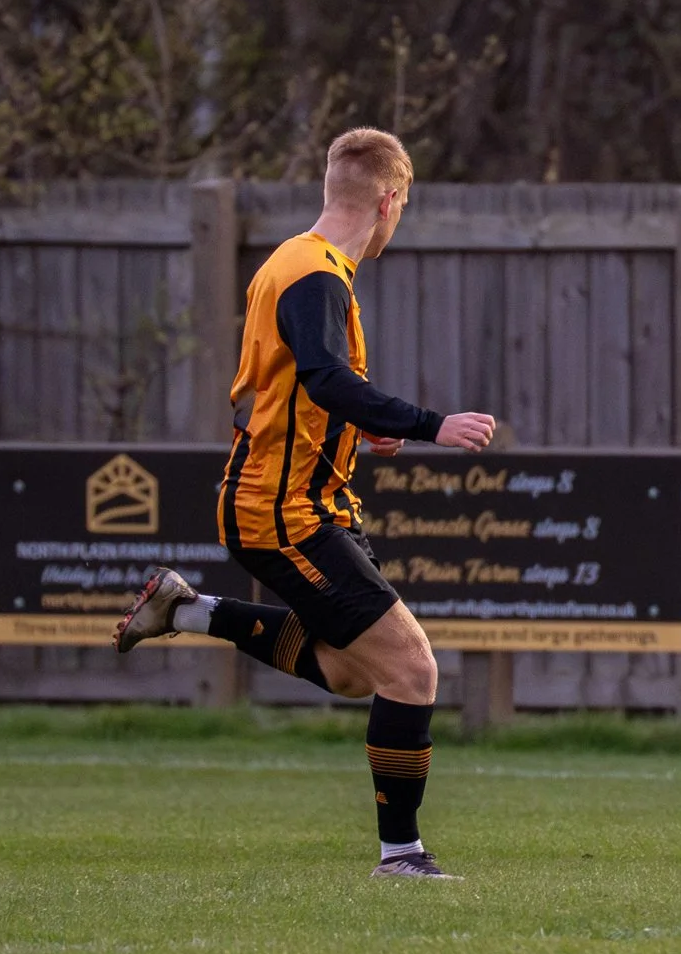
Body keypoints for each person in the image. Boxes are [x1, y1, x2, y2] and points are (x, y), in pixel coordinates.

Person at [114, 127, 498, 880]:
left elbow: (286, 395)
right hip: (282, 510)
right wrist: (427, 425)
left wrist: (362, 432)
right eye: (402, 207)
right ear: (389, 199)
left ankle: (188, 610)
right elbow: (324, 379)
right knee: (413, 669)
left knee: (356, 671)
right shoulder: (315, 274)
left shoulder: (298, 265)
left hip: (293, 500)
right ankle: (402, 854)